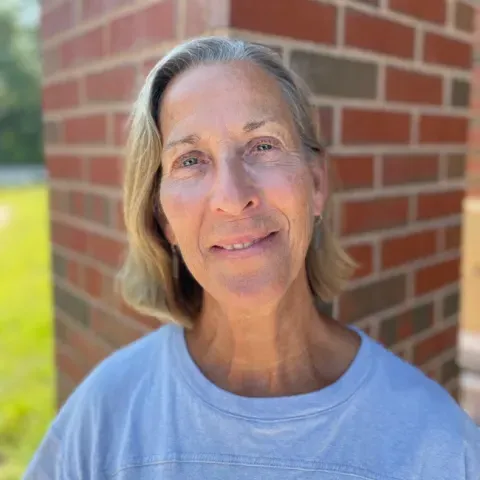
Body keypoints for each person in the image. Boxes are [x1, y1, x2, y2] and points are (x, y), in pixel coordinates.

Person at [25, 36, 479, 480]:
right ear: (163, 218)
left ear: (316, 185)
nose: (232, 196)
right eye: (190, 160)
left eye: (263, 145)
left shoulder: (436, 441)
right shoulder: (105, 415)